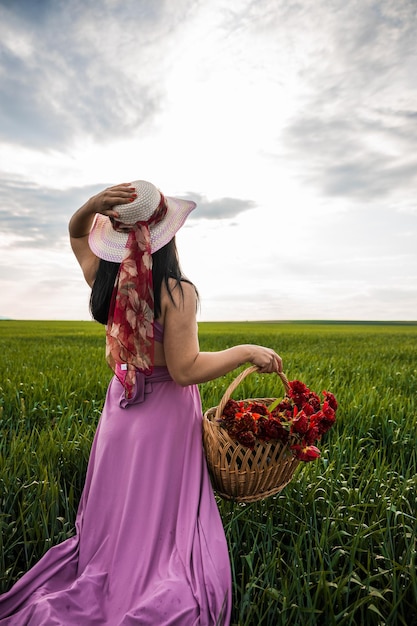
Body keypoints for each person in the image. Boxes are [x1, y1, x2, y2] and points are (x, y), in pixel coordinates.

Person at [0, 180, 283, 625]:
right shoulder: (176, 291)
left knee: (119, 512)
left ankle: (114, 568)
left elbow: (76, 232)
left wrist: (92, 206)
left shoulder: (104, 278)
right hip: (164, 419)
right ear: (168, 235)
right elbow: (185, 368)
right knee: (161, 519)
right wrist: (246, 352)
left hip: (121, 413)